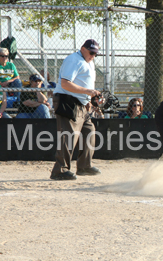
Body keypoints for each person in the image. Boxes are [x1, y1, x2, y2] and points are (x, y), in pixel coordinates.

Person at [50, 39, 102, 180]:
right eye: (91, 52)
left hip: (81, 103)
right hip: (67, 100)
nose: (93, 56)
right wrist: (88, 91)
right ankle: (59, 170)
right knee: (68, 136)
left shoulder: (89, 62)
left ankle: (84, 166)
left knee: (89, 131)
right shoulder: (74, 60)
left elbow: (84, 81)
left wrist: (88, 100)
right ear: (83, 49)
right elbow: (65, 83)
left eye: (96, 53)